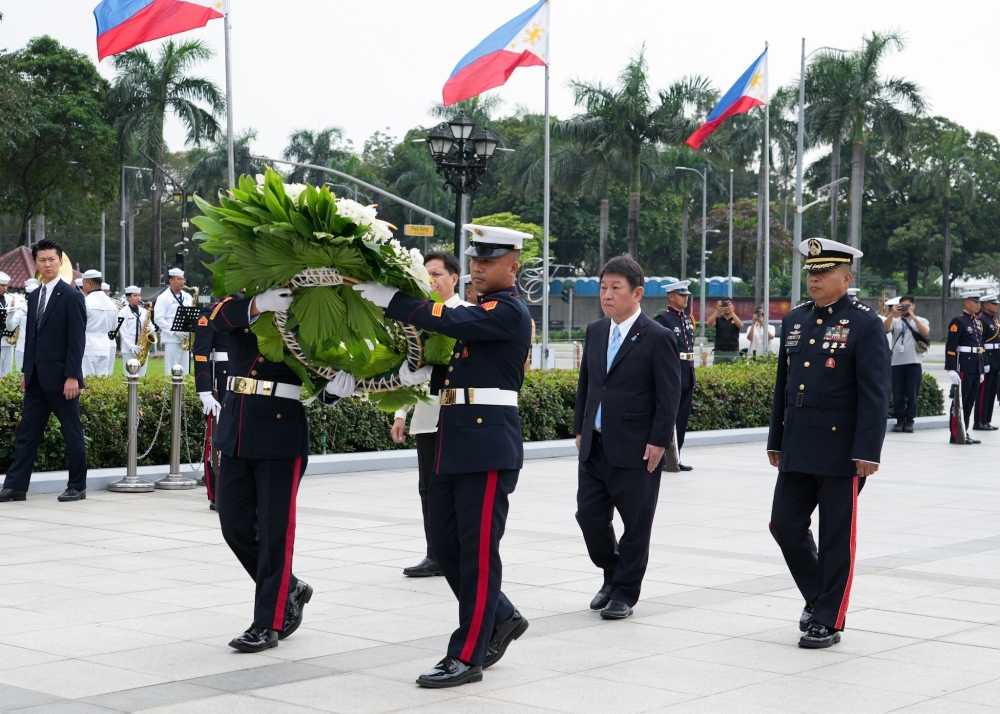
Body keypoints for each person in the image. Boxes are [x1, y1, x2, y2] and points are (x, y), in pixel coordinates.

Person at [356, 224, 533, 689]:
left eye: (488, 261)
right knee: (446, 545)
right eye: (475, 258)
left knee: (476, 553)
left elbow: (449, 321)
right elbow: (465, 372)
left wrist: (393, 301)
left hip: (487, 446)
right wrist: (422, 373)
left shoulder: (509, 311)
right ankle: (503, 616)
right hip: (455, 440)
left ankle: (468, 654)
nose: (477, 266)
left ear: (512, 265)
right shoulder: (483, 313)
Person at [205, 287, 357, 652]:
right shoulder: (244, 300)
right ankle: (289, 586)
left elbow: (322, 368)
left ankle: (268, 623)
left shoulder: (311, 306)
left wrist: (335, 390)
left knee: (275, 533)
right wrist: (260, 303)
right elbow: (215, 318)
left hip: (279, 429)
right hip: (237, 426)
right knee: (235, 526)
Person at [767, 238, 890, 649]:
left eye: (823, 272)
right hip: (799, 443)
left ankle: (829, 619)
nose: (814, 278)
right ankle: (819, 596)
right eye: (811, 272)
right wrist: (776, 438)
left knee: (836, 537)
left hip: (841, 450)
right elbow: (783, 385)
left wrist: (867, 451)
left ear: (846, 277)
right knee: (783, 524)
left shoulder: (865, 322)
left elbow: (875, 392)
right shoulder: (796, 319)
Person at [573, 254, 680, 621]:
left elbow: (669, 395)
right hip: (595, 444)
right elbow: (587, 384)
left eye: (615, 288)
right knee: (588, 516)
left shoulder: (658, 337)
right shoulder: (596, 331)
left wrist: (659, 441)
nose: (607, 295)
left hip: (637, 448)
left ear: (637, 292)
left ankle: (625, 593)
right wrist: (579, 428)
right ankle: (612, 572)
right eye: (603, 287)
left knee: (636, 524)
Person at [390, 252, 470, 578]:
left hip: (459, 416)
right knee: (429, 488)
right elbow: (412, 369)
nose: (432, 280)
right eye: (427, 275)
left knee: (458, 488)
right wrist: (399, 412)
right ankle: (434, 553)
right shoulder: (418, 318)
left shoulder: (467, 315)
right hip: (426, 415)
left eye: (437, 274)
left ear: (454, 278)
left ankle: (462, 552)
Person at [0, 239, 89, 503]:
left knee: (72, 432)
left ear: (60, 261)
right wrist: (27, 372)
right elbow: (32, 339)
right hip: (37, 378)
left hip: (63, 379)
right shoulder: (34, 295)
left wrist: (73, 376)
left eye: (52, 259)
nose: (47, 264)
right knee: (27, 433)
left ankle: (77, 486)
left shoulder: (72, 296)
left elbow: (76, 340)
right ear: (36, 263)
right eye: (42, 260)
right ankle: (16, 486)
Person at [193, 294, 234, 509]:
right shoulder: (212, 312)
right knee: (216, 438)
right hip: (220, 380)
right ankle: (216, 492)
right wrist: (205, 390)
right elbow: (201, 352)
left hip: (242, 380)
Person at [654, 281, 695, 471]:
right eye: (681, 294)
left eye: (686, 294)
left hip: (687, 374)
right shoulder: (663, 320)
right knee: (669, 417)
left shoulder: (687, 319)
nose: (686, 297)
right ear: (671, 296)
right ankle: (664, 458)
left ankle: (676, 459)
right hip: (673, 375)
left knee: (682, 419)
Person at [883, 295, 930, 433]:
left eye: (907, 306)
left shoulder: (921, 320)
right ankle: (899, 420)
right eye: (902, 306)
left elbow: (925, 332)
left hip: (914, 362)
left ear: (913, 306)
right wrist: (892, 314)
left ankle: (909, 420)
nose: (905, 308)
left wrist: (913, 317)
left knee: (912, 393)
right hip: (896, 363)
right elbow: (885, 329)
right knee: (897, 393)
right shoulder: (896, 321)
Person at [945, 291, 985, 445]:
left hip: (975, 367)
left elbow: (979, 347)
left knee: (969, 402)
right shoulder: (958, 321)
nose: (978, 305)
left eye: (979, 302)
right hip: (964, 366)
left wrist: (981, 369)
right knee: (960, 401)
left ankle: (964, 431)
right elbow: (951, 347)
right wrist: (951, 368)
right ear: (966, 303)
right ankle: (955, 434)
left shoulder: (976, 322)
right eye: (975, 302)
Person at [154, 268, 194, 375]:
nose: (182, 282)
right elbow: (158, 318)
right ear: (171, 280)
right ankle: (170, 391)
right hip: (172, 339)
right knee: (171, 370)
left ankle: (183, 392)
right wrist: (175, 330)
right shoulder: (163, 298)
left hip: (185, 338)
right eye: (179, 279)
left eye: (183, 279)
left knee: (185, 371)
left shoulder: (187, 297)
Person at [80, 270, 118, 378]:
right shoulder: (111, 303)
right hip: (105, 345)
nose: (82, 286)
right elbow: (114, 327)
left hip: (88, 345)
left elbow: (80, 325)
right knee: (101, 381)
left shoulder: (86, 302)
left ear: (90, 284)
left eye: (83, 283)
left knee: (87, 379)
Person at [118, 287, 155, 377]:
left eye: (139, 295)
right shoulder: (123, 312)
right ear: (128, 297)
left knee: (142, 376)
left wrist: (152, 328)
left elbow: (150, 325)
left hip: (142, 348)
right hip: (129, 349)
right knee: (128, 375)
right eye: (135, 295)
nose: (138, 298)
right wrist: (131, 345)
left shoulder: (144, 311)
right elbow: (123, 331)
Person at [976, 294, 1000, 431]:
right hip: (987, 359)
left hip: (996, 359)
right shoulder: (982, 321)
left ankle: (986, 420)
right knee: (984, 392)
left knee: (991, 393)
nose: (996, 306)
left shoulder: (994, 321)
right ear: (985, 305)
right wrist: (984, 360)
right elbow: (980, 342)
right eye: (993, 303)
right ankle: (979, 421)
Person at [11, 279, 39, 372]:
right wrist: (9, 315)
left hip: (39, 349)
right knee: (20, 374)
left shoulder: (43, 310)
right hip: (22, 348)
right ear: (27, 296)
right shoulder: (21, 310)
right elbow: (10, 327)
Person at [707, 298, 743, 363]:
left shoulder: (736, 319)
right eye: (724, 305)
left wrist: (731, 311)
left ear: (733, 307)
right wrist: (717, 311)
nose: (726, 307)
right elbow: (709, 324)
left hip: (733, 351)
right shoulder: (718, 319)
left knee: (735, 372)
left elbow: (740, 325)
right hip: (719, 351)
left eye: (729, 304)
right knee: (717, 371)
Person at [0, 272, 14, 375]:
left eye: (6, 285)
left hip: (8, 340)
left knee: (7, 371)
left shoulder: (10, 298)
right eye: (2, 285)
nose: (5, 288)